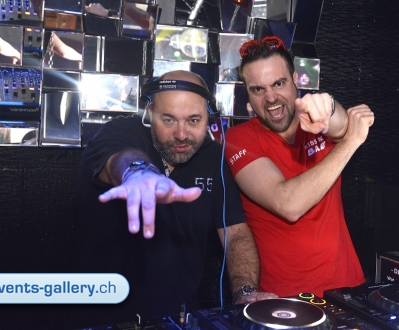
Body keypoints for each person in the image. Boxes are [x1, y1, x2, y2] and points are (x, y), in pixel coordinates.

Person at [70, 70, 276, 327]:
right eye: (168, 120)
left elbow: (235, 233)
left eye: (193, 120)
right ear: (149, 113)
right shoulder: (120, 132)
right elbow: (119, 157)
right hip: (104, 318)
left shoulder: (212, 156)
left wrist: (245, 291)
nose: (181, 134)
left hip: (180, 319)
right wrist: (137, 172)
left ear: (209, 117)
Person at [224, 36, 375, 297]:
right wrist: (351, 142)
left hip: (347, 287)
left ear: (295, 80)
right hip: (283, 298)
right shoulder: (238, 139)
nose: (271, 98)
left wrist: (329, 107)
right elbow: (288, 204)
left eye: (279, 83)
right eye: (258, 89)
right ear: (247, 93)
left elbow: (340, 125)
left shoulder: (314, 118)